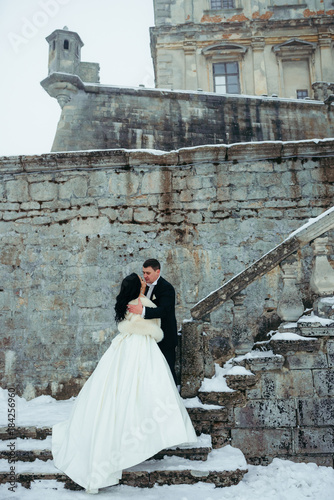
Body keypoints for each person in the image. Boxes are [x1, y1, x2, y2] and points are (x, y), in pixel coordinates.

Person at [52, 273, 197, 494]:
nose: (144, 280)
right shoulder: (143, 303)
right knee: (149, 388)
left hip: (124, 344)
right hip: (143, 346)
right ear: (138, 286)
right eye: (142, 279)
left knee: (116, 388)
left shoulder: (126, 304)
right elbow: (158, 323)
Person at [127, 259, 178, 383]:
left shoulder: (166, 288)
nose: (145, 276)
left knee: (166, 369)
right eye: (143, 272)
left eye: (148, 273)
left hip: (165, 336)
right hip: (148, 336)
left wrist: (142, 310)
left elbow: (164, 311)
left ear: (158, 271)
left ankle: (172, 398)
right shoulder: (143, 286)